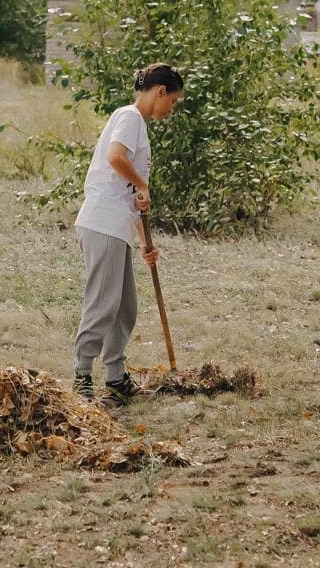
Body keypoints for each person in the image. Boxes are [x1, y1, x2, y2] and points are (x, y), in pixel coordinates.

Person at [72, 63, 184, 405]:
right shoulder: (130, 116)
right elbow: (115, 158)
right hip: (102, 222)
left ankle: (116, 377)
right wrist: (142, 183)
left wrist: (145, 242)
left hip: (117, 224)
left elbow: (131, 195)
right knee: (103, 303)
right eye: (173, 101)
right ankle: (82, 375)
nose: (172, 109)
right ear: (160, 91)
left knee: (125, 308)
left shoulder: (139, 126)